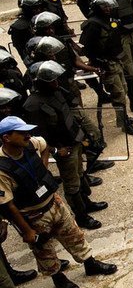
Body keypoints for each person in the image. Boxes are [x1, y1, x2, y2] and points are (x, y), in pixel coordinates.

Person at [0, 116, 117, 288]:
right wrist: (28, 231)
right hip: (33, 215)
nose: (27, 135)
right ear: (6, 137)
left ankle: (90, 264)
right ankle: (58, 278)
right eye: (21, 132)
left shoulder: (32, 143)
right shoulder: (2, 168)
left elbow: (45, 145)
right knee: (45, 251)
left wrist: (43, 170)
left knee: (74, 234)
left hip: (53, 202)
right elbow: (8, 205)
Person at [23, 60, 108, 230]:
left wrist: (84, 136)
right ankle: (82, 217)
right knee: (72, 184)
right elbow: (38, 138)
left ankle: (87, 203)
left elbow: (70, 115)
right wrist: (55, 150)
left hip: (74, 141)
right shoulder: (33, 105)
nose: (56, 83)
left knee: (80, 173)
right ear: (41, 83)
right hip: (64, 149)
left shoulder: (56, 91)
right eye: (52, 81)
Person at [79, 0, 133, 136]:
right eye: (104, 6)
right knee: (118, 94)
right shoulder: (93, 25)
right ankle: (124, 124)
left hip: (116, 60)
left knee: (124, 89)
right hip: (106, 64)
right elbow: (87, 48)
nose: (107, 9)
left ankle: (124, 117)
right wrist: (99, 64)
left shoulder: (110, 20)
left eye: (109, 6)